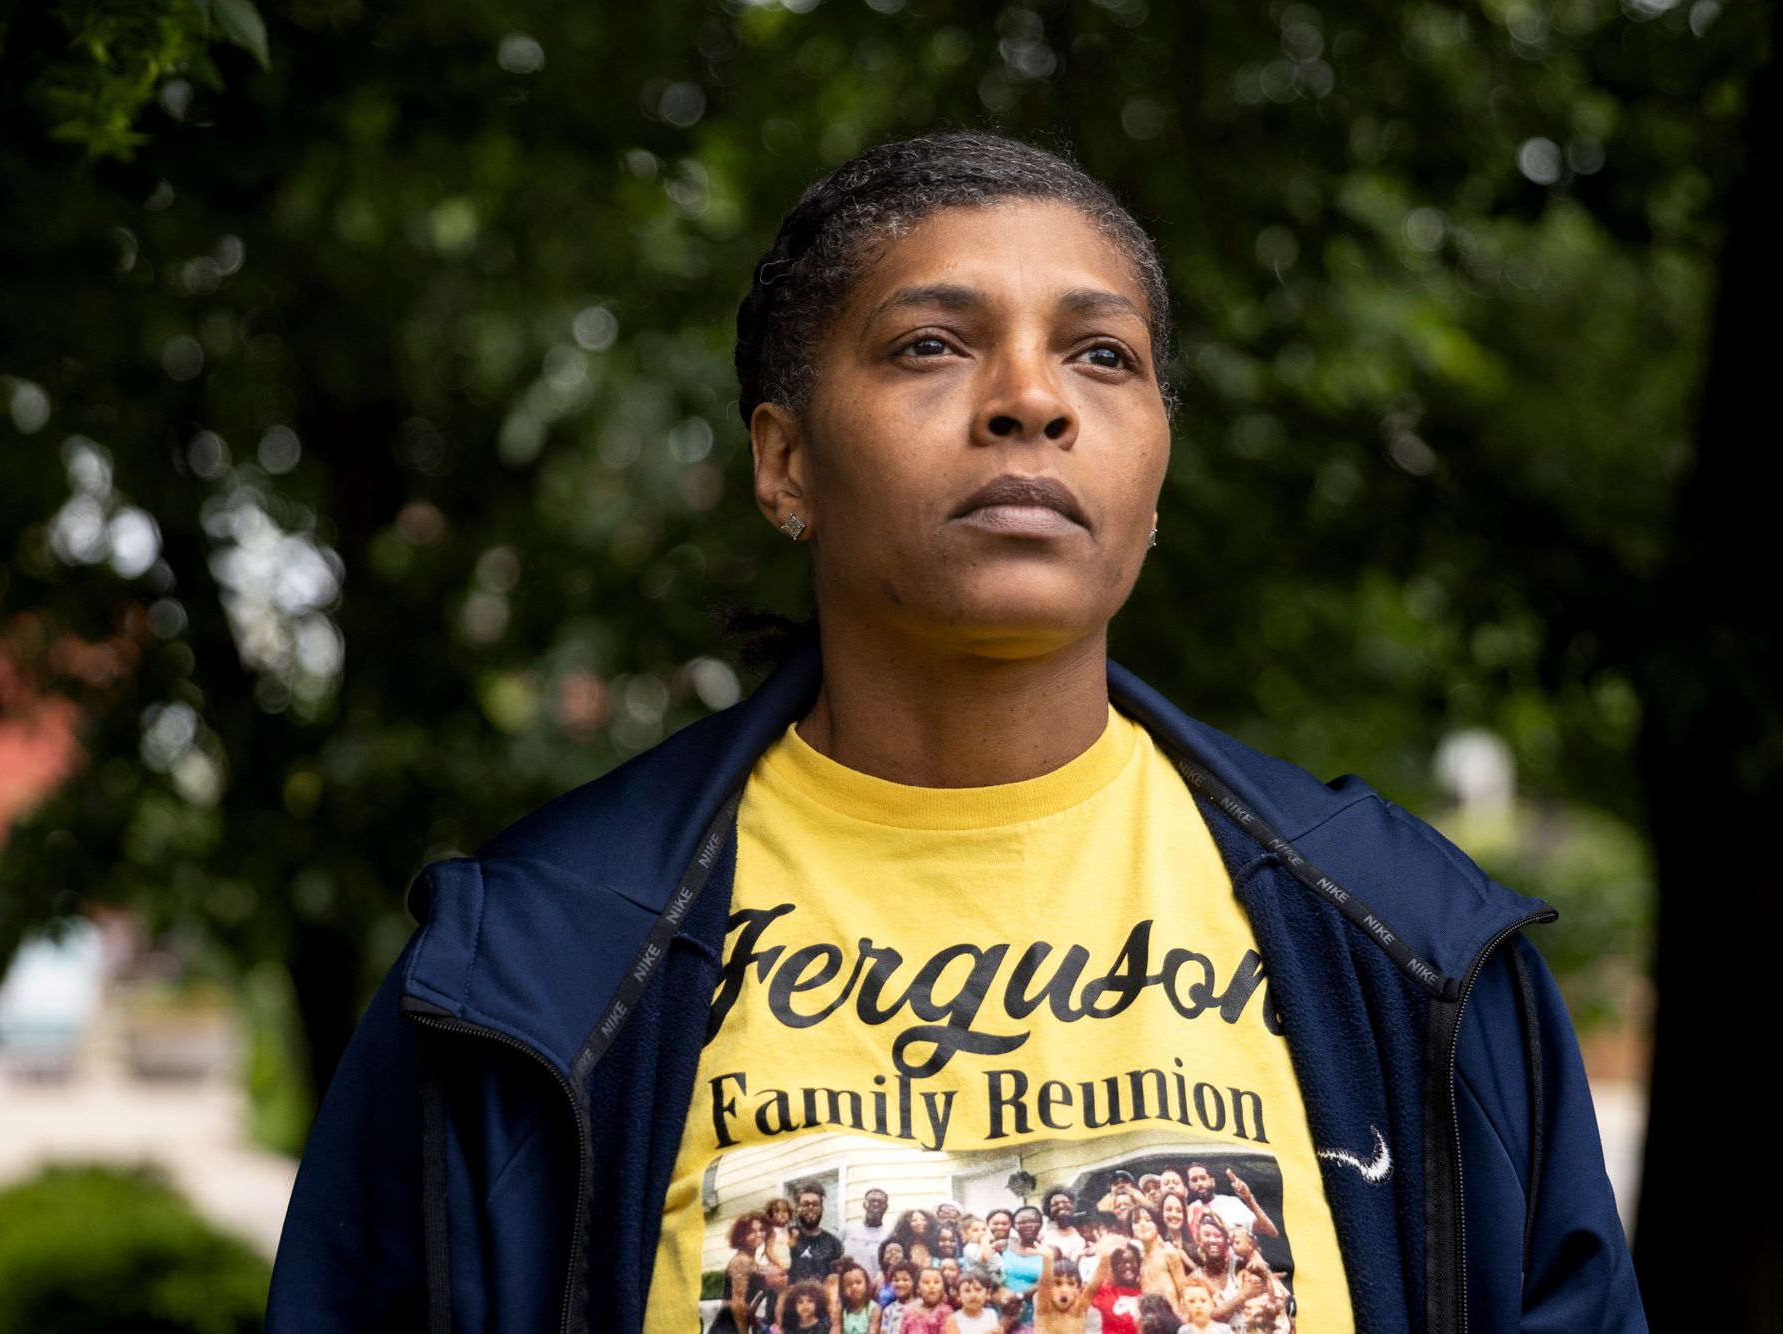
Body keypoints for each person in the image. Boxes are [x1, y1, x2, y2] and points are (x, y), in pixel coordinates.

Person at [264, 131, 1647, 1334]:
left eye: (1103, 355)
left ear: (1158, 469)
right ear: (785, 461)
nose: (1031, 398)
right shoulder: (526, 970)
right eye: (933, 342)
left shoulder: (1410, 946)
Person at [1184, 1166, 1273, 1242]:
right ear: (1188, 1185)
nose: (1199, 1183)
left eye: (1203, 1178)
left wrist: (1249, 1199)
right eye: (1194, 1180)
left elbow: (1270, 1231)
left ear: (1212, 1181)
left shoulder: (1231, 1203)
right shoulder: (1188, 1210)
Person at [791, 1182, 847, 1284]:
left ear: (822, 1208)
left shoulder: (834, 1244)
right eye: (805, 1204)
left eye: (815, 1204)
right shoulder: (785, 1236)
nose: (811, 1208)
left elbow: (836, 1281)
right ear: (797, 1209)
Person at [844, 1189, 895, 1273]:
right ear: (864, 1204)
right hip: (852, 1284)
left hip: (878, 1284)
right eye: (872, 1201)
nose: (876, 1204)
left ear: (886, 1207)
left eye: (881, 1202)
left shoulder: (890, 1234)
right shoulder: (848, 1229)